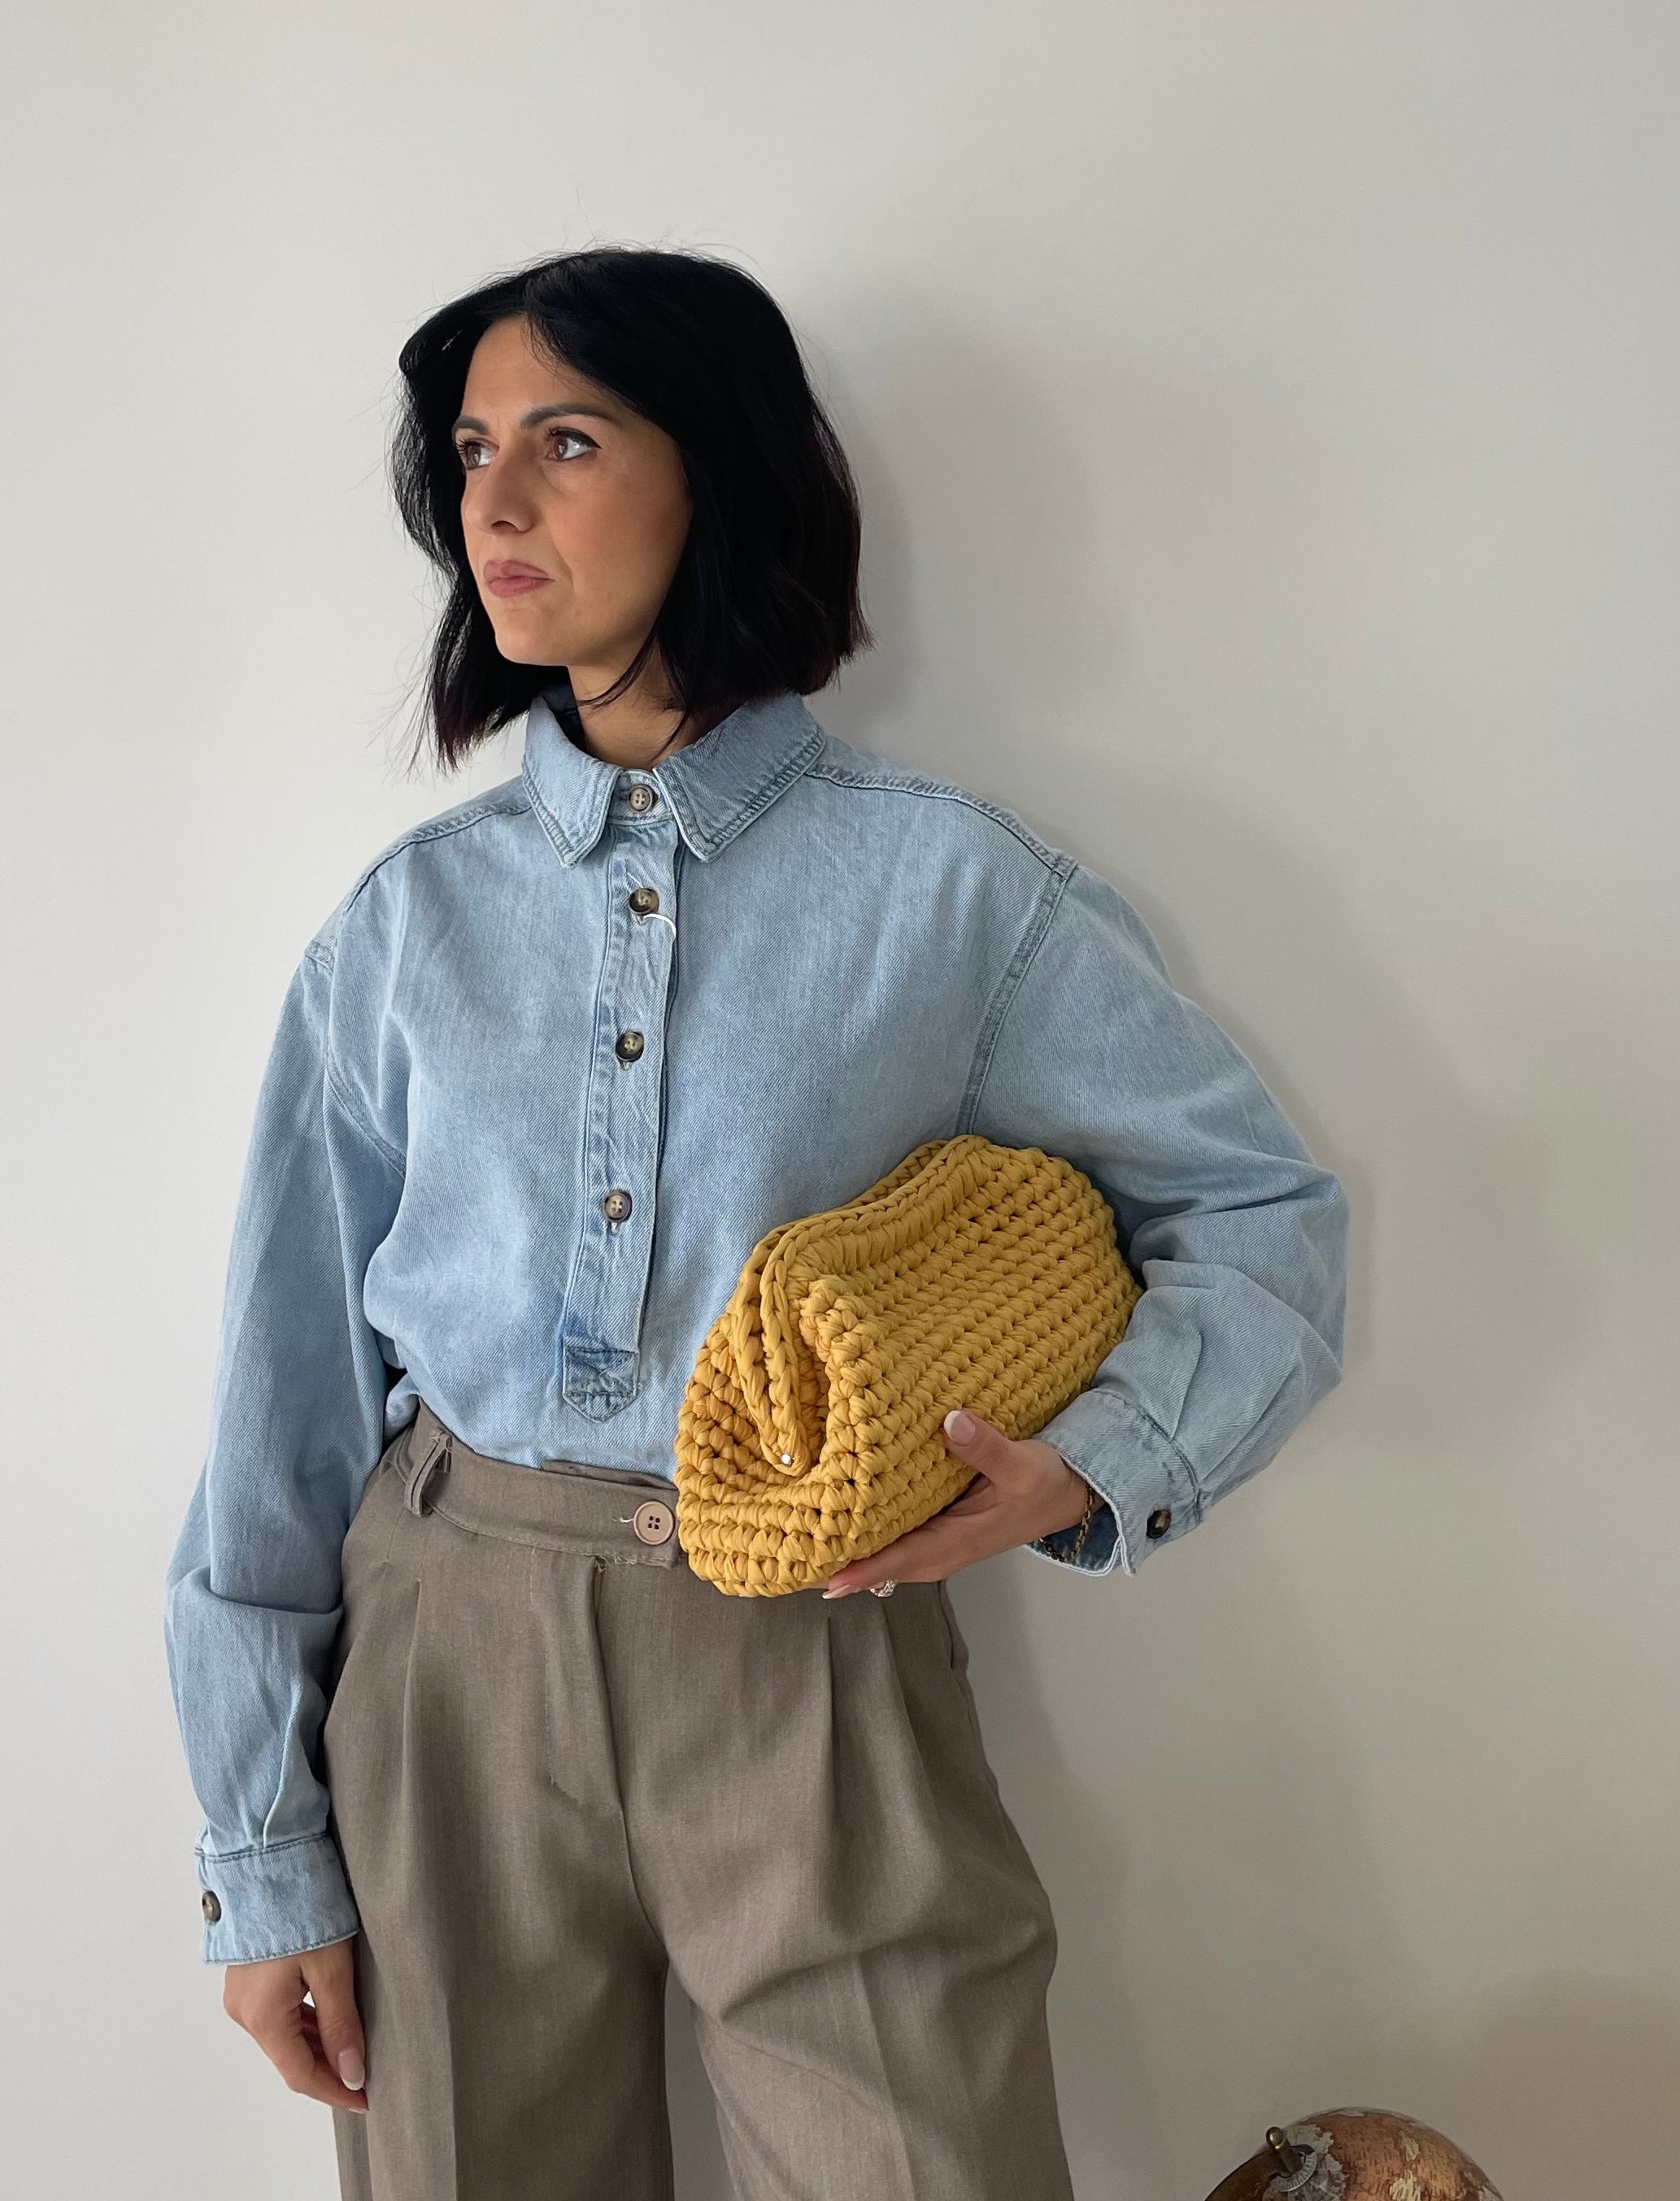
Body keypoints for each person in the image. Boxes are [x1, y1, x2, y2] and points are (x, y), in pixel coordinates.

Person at [164, 246, 1349, 2201]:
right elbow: (279, 1406)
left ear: (717, 466)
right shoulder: (405, 926)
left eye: (565, 441)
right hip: (448, 1658)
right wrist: (260, 1851)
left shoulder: (952, 893)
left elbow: (1261, 1217)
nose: (493, 502)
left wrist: (1090, 1465)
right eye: (471, 450)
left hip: (813, 1642)